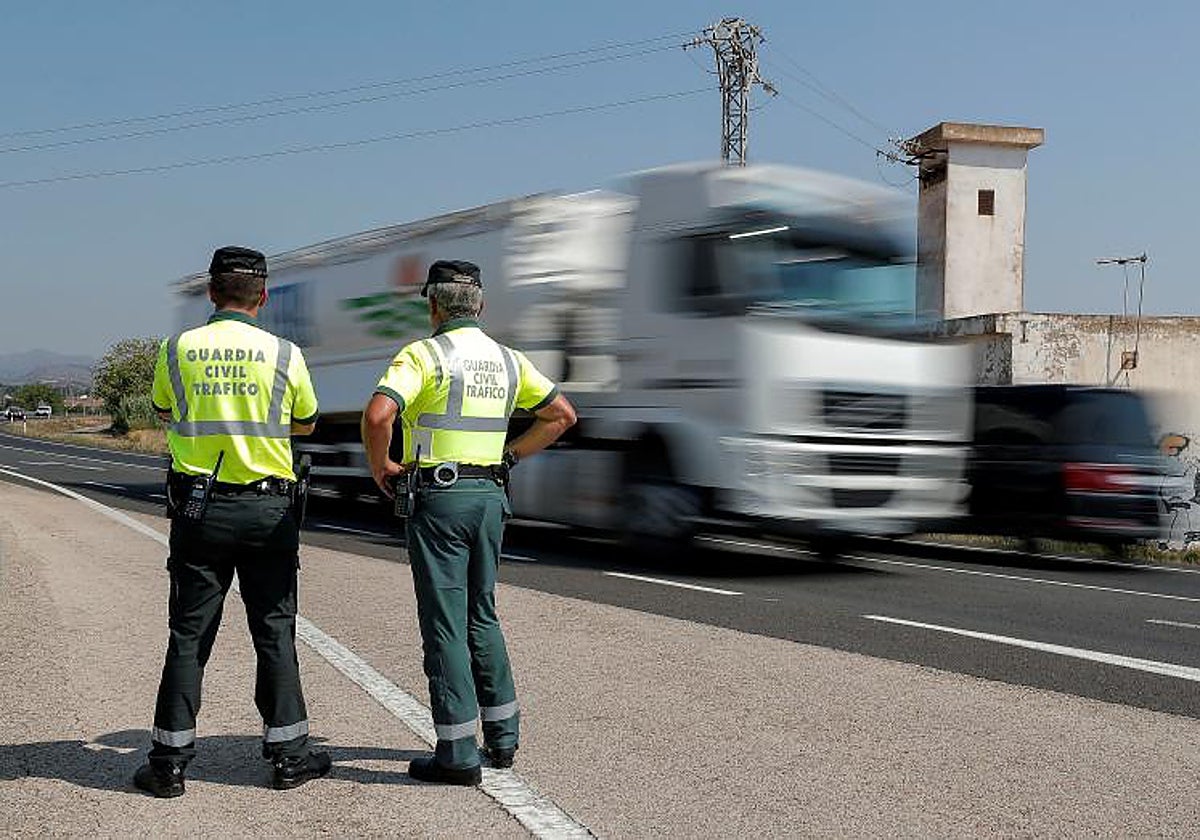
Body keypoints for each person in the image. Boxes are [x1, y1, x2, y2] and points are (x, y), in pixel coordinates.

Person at [361, 259, 576, 785]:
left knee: (445, 622)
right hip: (489, 497)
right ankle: (502, 739)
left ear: (433, 305)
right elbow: (562, 416)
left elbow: (378, 415)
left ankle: (456, 753)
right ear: (480, 304)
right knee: (482, 613)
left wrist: (381, 467)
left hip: (440, 497)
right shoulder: (508, 361)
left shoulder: (423, 355)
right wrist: (511, 456)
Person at [134, 246, 330, 797]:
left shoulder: (177, 350)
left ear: (211, 293)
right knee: (274, 628)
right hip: (270, 511)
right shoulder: (286, 354)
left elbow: (166, 411)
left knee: (189, 634)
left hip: (201, 511)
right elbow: (307, 424)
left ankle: (169, 764)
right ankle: (290, 756)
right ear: (262, 298)